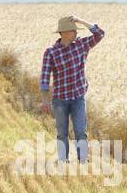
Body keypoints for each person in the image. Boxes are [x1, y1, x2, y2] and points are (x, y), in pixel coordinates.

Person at [40, 15, 105, 165]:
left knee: (81, 131)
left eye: (76, 30)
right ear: (63, 33)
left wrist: (81, 20)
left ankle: (83, 160)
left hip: (78, 98)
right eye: (73, 30)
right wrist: (45, 100)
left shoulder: (81, 45)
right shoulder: (50, 52)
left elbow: (100, 33)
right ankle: (63, 161)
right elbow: (45, 78)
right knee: (62, 133)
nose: (76, 33)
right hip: (60, 100)